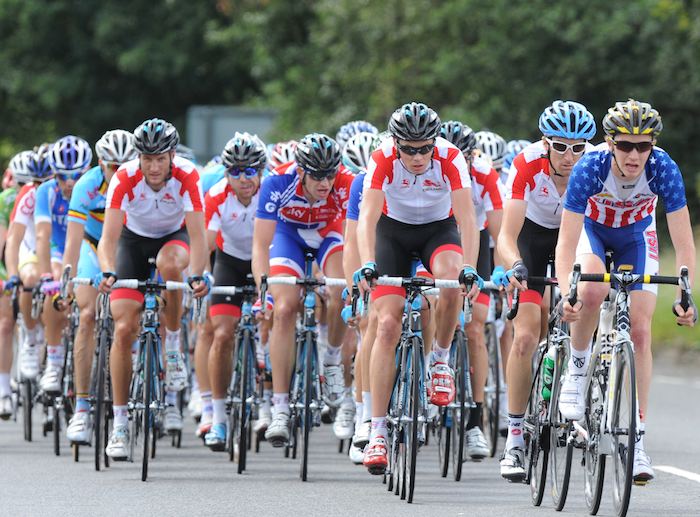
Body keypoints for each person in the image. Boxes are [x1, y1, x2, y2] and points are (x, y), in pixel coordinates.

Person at [555, 99, 696, 483]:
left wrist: (687, 296)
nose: (634, 154)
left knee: (640, 329)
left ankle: (636, 441)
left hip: (637, 237)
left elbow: (683, 244)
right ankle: (579, 366)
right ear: (610, 143)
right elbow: (566, 242)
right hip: (594, 233)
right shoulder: (591, 166)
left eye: (643, 145)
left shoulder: (663, 167)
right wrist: (568, 290)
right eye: (625, 145)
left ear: (652, 145)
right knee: (592, 290)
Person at [356, 102, 482, 474]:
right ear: (395, 144)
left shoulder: (451, 158)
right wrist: (367, 262)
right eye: (408, 149)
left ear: (435, 143)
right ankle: (377, 431)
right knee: (387, 325)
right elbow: (367, 217)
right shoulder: (380, 159)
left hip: (436, 232)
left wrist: (471, 268)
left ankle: (439, 358)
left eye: (424, 147)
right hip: (391, 234)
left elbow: (467, 219)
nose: (417, 156)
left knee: (450, 280)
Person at [98, 118, 210, 459]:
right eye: (147, 159)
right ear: (139, 158)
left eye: (160, 158)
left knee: (173, 265)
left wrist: (199, 274)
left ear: (172, 156)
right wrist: (107, 270)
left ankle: (173, 343)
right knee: (123, 328)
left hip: (172, 239)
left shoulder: (188, 176)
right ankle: (119, 425)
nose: (154, 166)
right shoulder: (125, 177)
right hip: (132, 243)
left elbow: (199, 236)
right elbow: (109, 238)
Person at [497, 100, 596, 481]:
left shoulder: (593, 167)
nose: (570, 156)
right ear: (545, 143)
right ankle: (516, 438)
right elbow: (507, 235)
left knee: (588, 307)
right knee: (525, 337)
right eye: (560, 146)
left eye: (578, 147)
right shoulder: (526, 164)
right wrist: (514, 264)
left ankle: (589, 396)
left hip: (577, 238)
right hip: (534, 241)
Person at [252, 133, 353, 447]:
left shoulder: (346, 184)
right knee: (283, 310)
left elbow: (353, 241)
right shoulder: (277, 183)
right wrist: (263, 289)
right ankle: (280, 407)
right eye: (318, 176)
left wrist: (347, 278)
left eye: (330, 174)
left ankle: (333, 360)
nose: (325, 183)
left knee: (339, 292)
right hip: (289, 238)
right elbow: (260, 243)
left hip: (329, 236)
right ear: (301, 172)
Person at [61, 130, 137, 443]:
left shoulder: (140, 185)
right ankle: (81, 408)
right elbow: (74, 239)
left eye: (124, 166)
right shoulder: (87, 185)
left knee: (131, 317)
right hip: (92, 247)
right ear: (101, 163)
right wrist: (67, 282)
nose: (117, 173)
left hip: (127, 246)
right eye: (111, 167)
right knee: (88, 314)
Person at [440, 120, 505, 459]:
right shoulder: (434, 168)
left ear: (473, 155)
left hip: (473, 244)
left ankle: (475, 422)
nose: (458, 162)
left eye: (463, 156)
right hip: (435, 237)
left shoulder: (483, 174)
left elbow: (498, 229)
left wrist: (499, 266)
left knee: (475, 325)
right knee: (427, 310)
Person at [202, 132, 265, 450]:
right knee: (222, 334)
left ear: (261, 171)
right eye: (235, 171)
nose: (242, 178)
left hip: (264, 260)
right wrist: (200, 274)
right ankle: (220, 417)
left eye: (249, 171)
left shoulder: (270, 194)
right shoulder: (216, 195)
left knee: (272, 322)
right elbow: (207, 243)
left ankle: (269, 405)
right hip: (228, 261)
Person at [35, 136, 92, 393]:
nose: (69, 183)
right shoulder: (45, 192)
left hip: (88, 247)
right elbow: (42, 236)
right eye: (62, 177)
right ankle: (55, 362)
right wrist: (46, 275)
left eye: (76, 176)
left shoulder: (94, 188)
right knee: (56, 288)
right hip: (59, 250)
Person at [4, 147, 53, 382]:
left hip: (57, 251)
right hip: (31, 247)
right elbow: (13, 240)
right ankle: (31, 338)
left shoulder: (68, 190)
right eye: (36, 181)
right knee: (30, 279)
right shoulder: (29, 194)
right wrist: (13, 274)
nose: (40, 185)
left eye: (47, 180)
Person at [0, 152, 33, 417]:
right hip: (9, 263)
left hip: (36, 260)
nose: (20, 189)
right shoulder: (7, 200)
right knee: (6, 324)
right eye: (17, 183)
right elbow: (4, 243)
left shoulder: (41, 195)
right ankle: (3, 391)